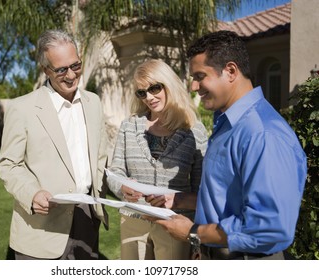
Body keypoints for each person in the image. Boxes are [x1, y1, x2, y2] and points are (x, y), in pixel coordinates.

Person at [153, 31, 307, 260]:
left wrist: (193, 232)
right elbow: (230, 197)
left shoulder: (263, 134)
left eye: (200, 76)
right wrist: (183, 200)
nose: (194, 86)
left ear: (231, 71)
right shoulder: (227, 123)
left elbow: (269, 229)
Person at [0, 29, 108, 260]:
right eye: (61, 69)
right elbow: (9, 164)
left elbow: (100, 160)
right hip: (40, 229)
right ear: (46, 69)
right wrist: (32, 193)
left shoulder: (94, 102)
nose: (71, 75)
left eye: (75, 66)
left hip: (87, 219)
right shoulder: (22, 108)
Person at [107, 59, 208, 260]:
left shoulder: (195, 130)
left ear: (168, 83)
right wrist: (122, 188)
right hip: (133, 220)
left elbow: (201, 190)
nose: (149, 97)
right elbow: (115, 172)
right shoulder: (129, 126)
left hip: (175, 223)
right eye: (142, 92)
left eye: (154, 88)